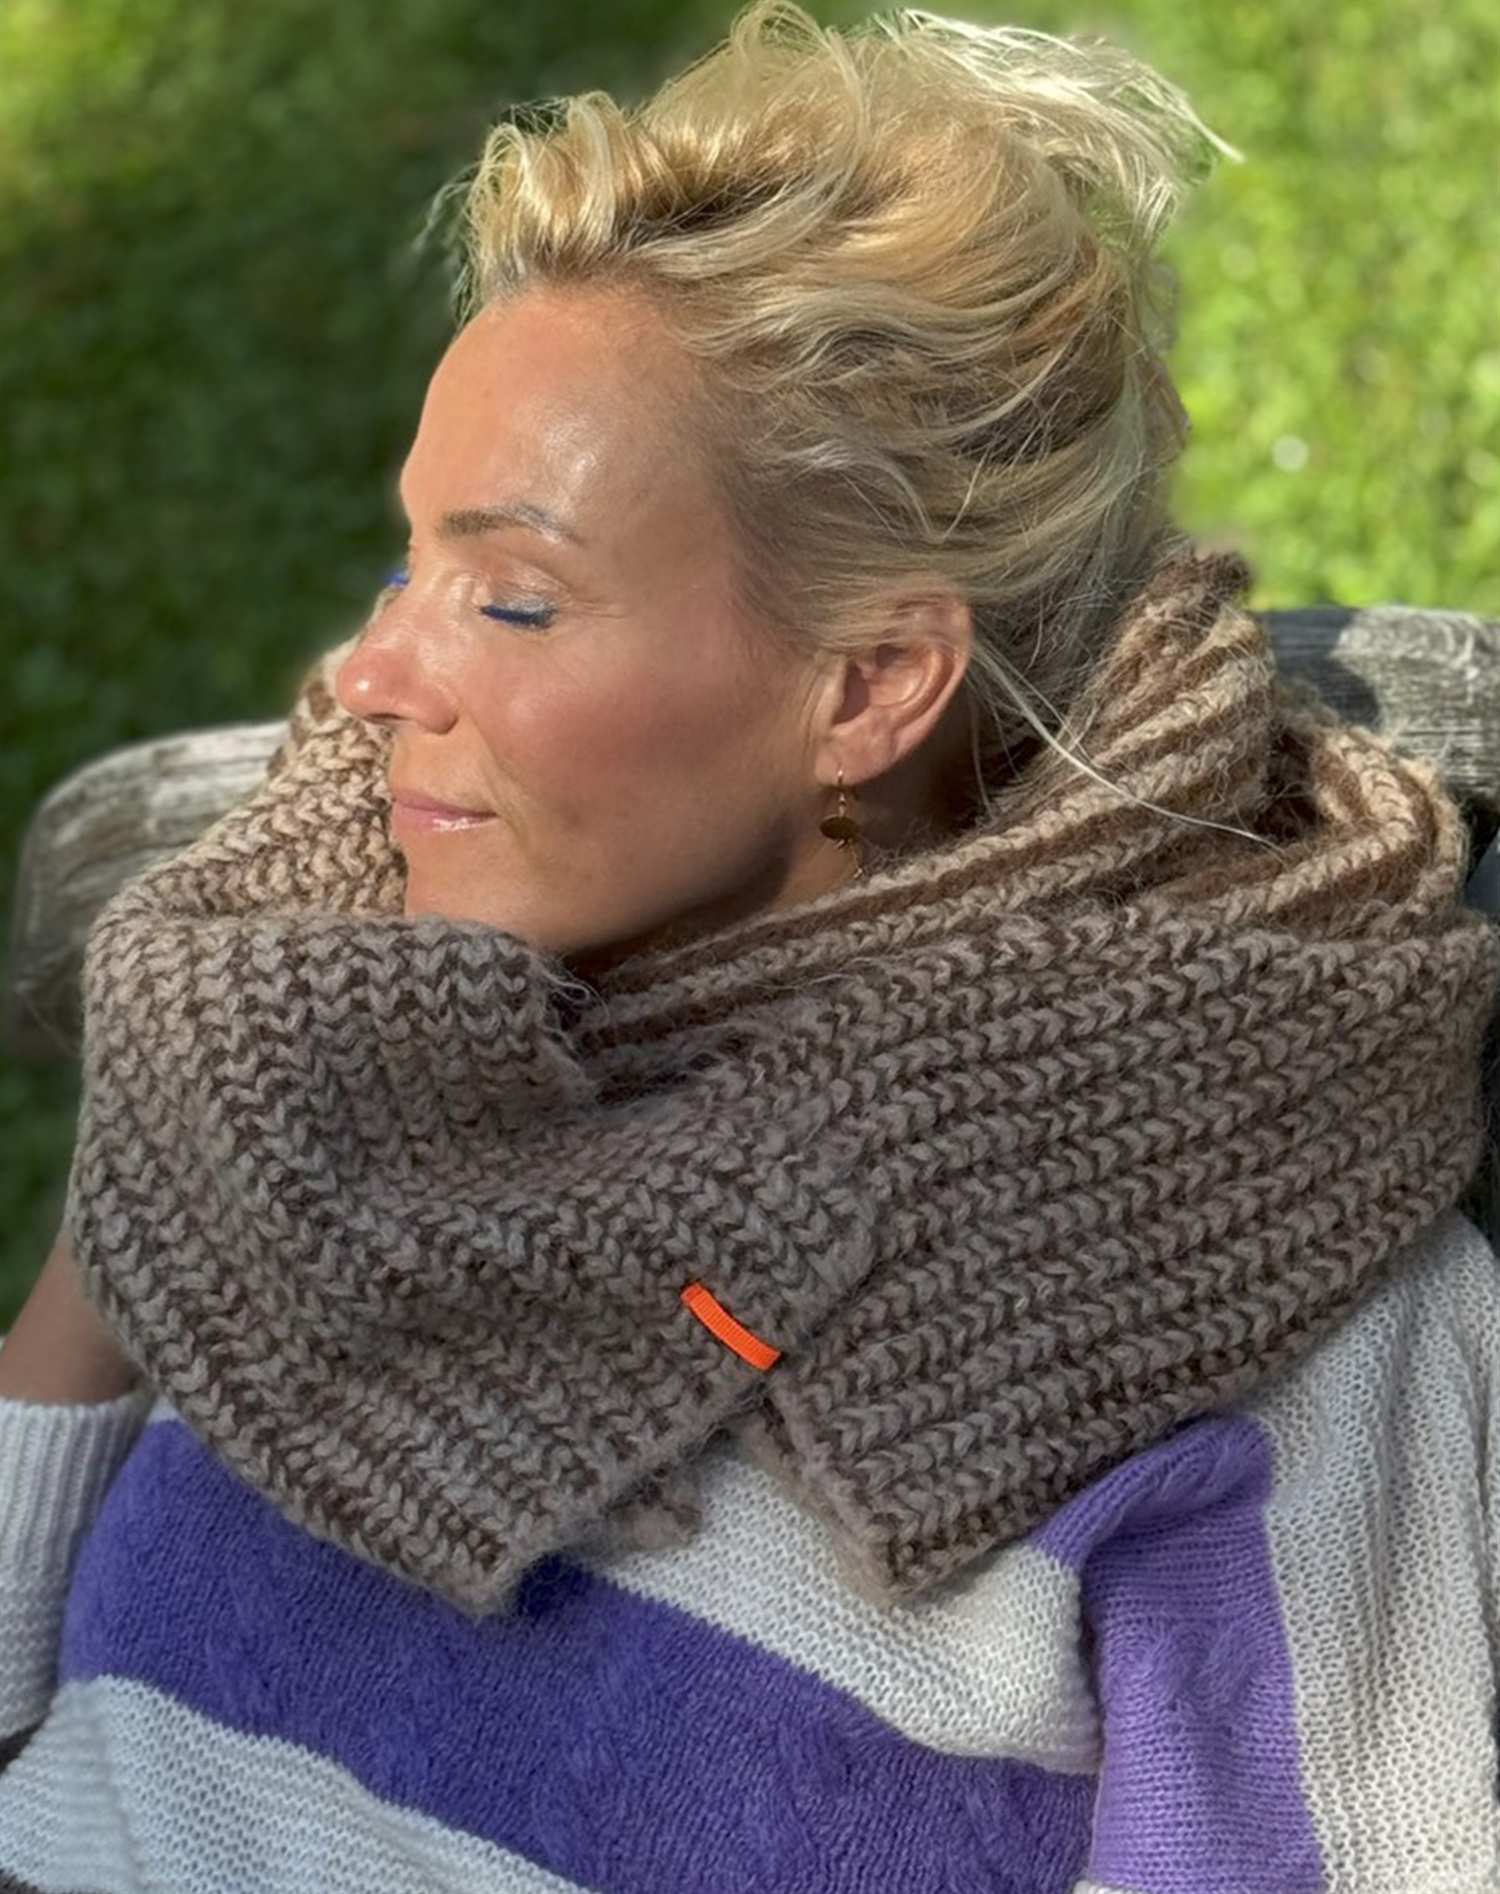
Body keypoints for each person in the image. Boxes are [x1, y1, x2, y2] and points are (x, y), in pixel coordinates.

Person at [2, 4, 1498, 1888]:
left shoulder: (1243, 1252)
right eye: (410, 565)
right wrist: (157, 1150)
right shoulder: (304, 1022)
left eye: (514, 597)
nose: (368, 677)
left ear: (867, 685)